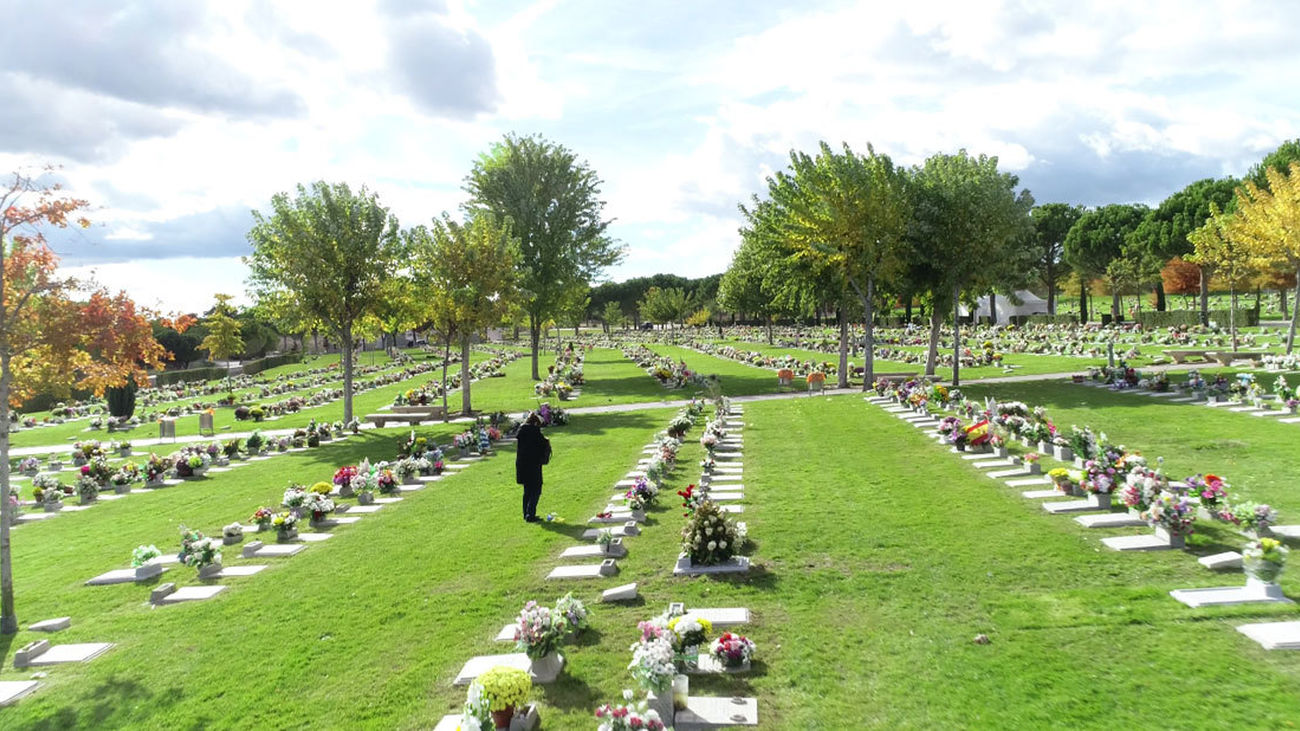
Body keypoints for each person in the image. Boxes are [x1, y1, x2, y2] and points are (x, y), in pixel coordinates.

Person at [515, 413, 551, 523]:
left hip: (522, 464)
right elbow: (541, 446)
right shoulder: (535, 433)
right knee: (536, 490)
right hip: (533, 465)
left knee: (527, 490)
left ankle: (526, 513)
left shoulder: (522, 432)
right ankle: (531, 514)